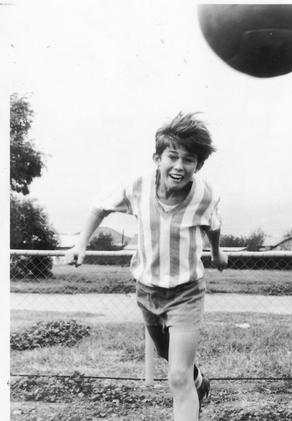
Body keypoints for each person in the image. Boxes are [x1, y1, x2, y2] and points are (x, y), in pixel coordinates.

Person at [66, 112, 228, 421]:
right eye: (173, 156)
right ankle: (200, 382)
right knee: (167, 355)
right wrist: (81, 244)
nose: (179, 166)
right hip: (148, 290)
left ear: (199, 165)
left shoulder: (205, 196)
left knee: (177, 377)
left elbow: (214, 226)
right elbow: (99, 207)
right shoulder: (137, 185)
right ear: (158, 157)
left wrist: (217, 253)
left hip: (186, 292)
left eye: (189, 160)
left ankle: (189, 385)